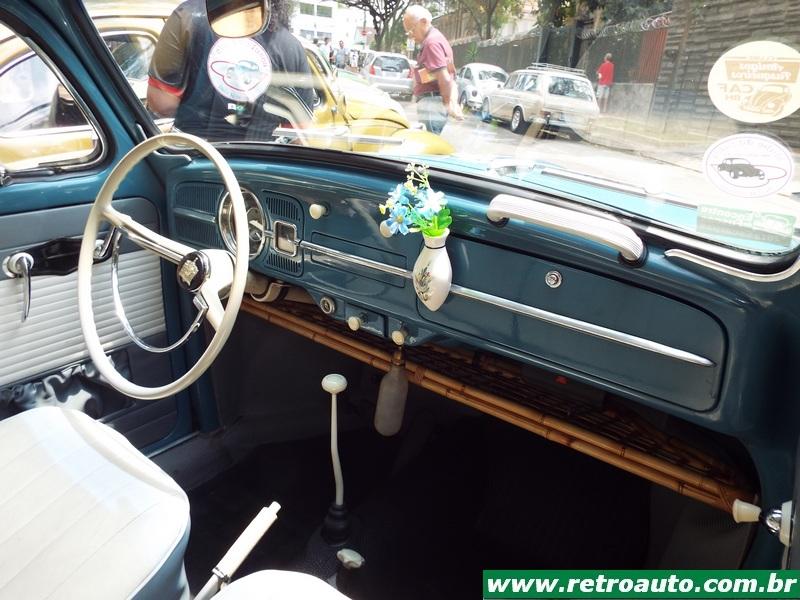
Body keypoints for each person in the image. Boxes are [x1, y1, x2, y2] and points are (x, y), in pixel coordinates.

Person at [147, 0, 314, 141]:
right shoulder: (291, 45)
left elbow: (162, 104)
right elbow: (299, 133)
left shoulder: (187, 16)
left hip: (194, 157)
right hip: (258, 162)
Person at [403, 5, 462, 135]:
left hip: (431, 103)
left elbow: (444, 78)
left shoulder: (431, 43)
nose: (410, 36)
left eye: (411, 30)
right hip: (432, 103)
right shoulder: (436, 38)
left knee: (430, 140)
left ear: (423, 22)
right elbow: (441, 73)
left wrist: (448, 104)